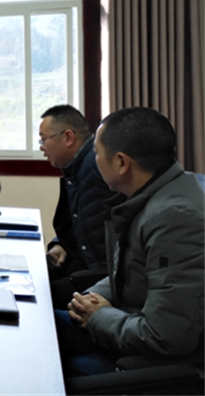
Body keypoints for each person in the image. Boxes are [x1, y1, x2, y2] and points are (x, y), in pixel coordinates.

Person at [55, 107, 205, 377]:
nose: (94, 161)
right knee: (37, 323)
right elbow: (133, 271)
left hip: (151, 361)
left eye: (97, 153)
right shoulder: (151, 195)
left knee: (54, 366)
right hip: (125, 324)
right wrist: (92, 298)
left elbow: (165, 336)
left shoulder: (175, 218)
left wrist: (98, 316)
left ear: (122, 163)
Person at [39, 105, 114, 308]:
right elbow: (80, 221)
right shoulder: (77, 168)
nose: (41, 148)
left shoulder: (98, 167)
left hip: (101, 276)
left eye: (43, 139)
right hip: (84, 265)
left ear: (68, 138)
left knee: (37, 296)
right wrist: (60, 244)